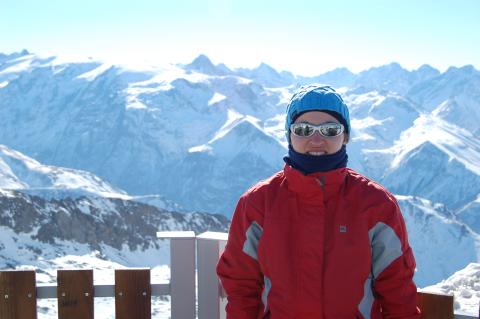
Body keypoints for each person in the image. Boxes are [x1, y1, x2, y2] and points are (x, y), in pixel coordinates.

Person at [216, 85, 420, 318]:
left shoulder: (376, 204)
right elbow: (241, 286)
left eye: (329, 130)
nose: (315, 139)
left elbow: (397, 289)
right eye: (303, 129)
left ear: (345, 136)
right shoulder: (257, 204)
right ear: (289, 136)